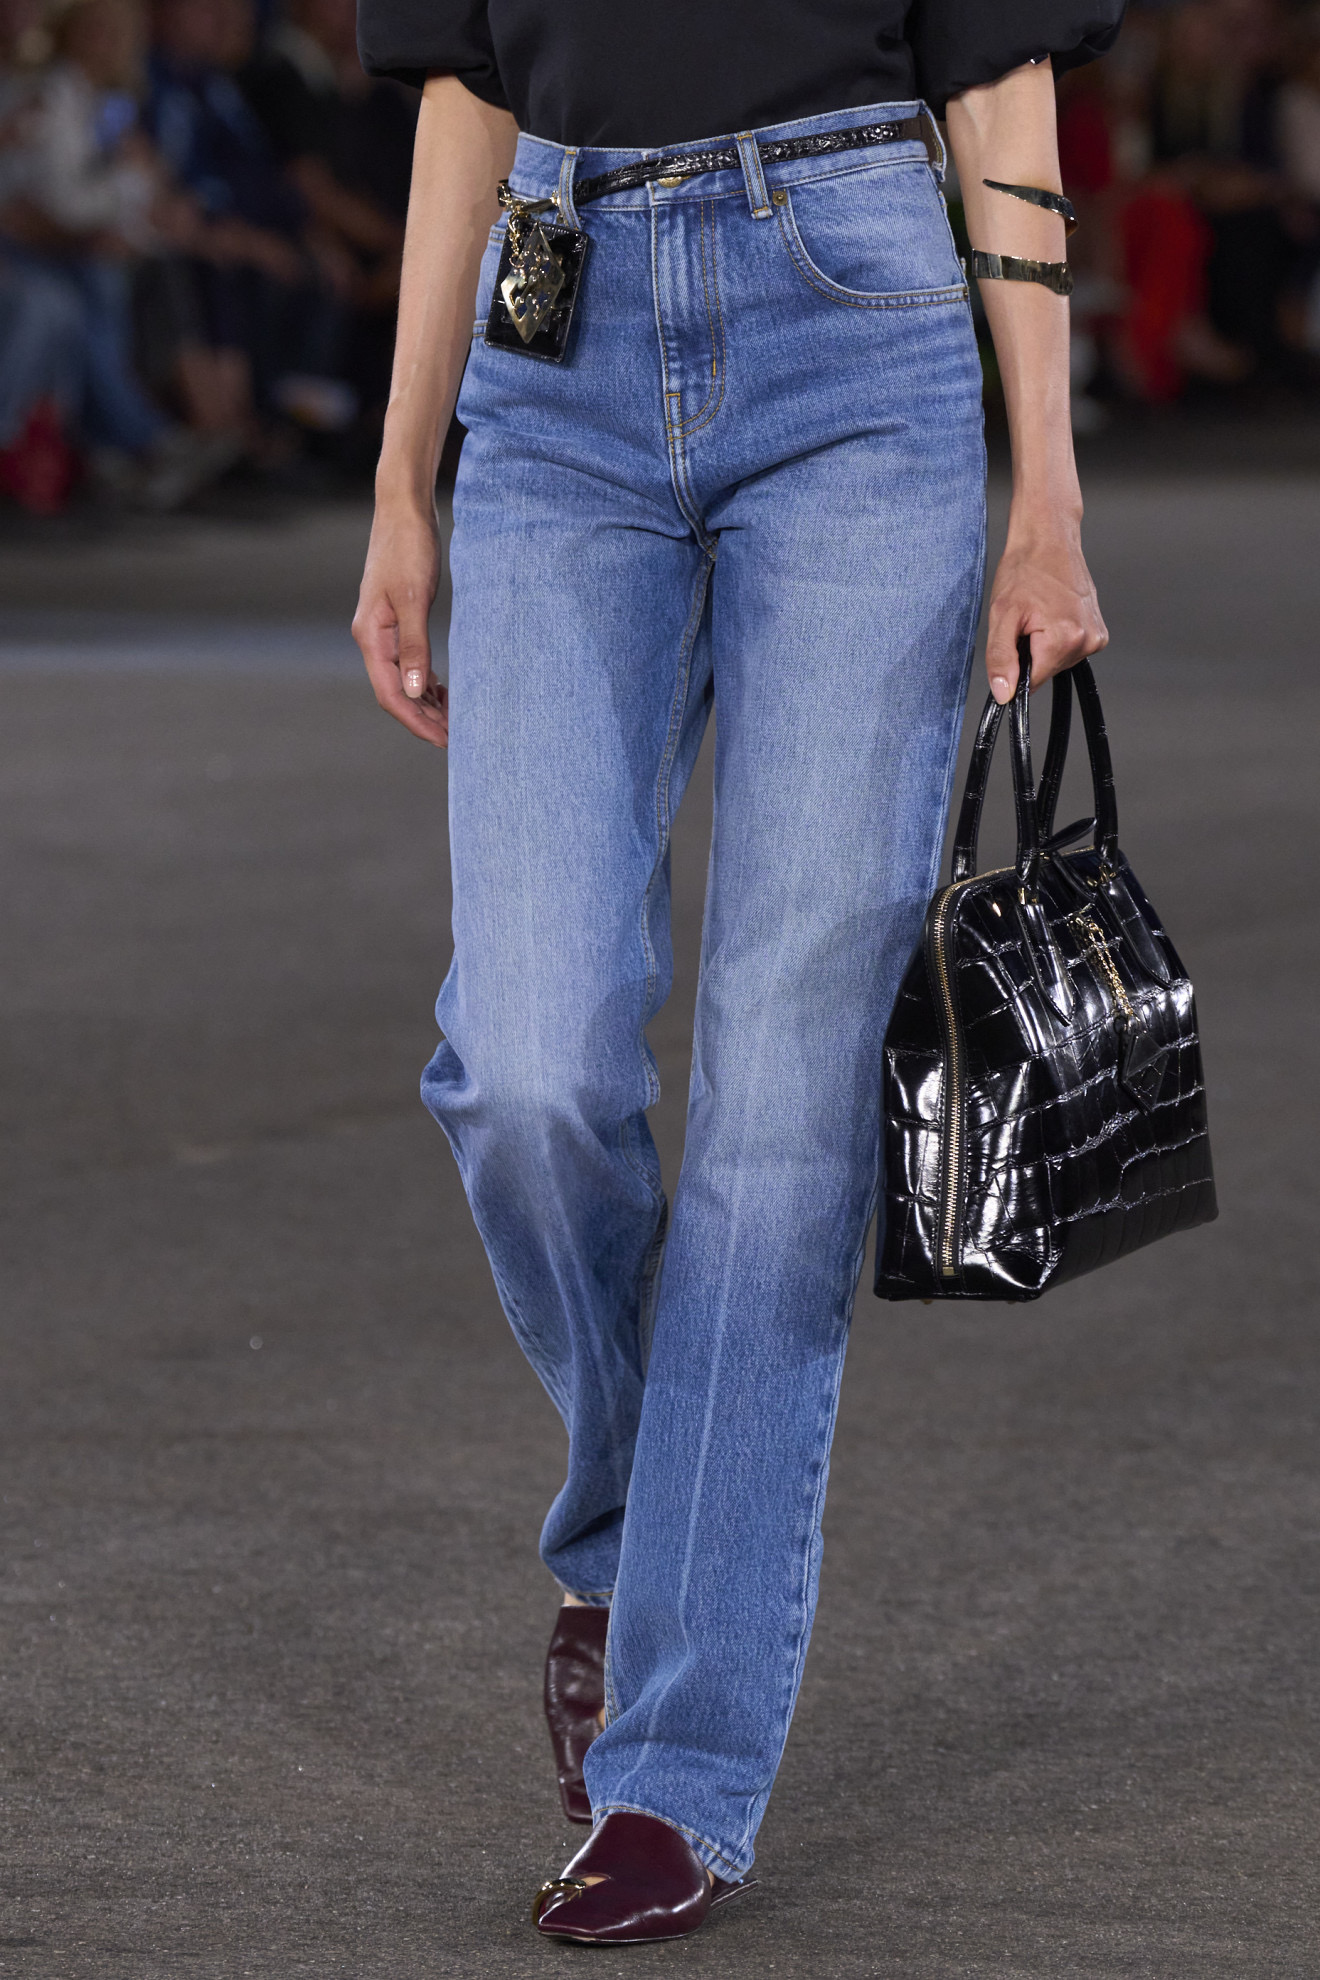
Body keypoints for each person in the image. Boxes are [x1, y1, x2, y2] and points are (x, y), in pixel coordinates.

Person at [352, 0, 1117, 1945]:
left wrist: (1047, 496)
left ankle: (675, 1771)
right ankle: (637, 1528)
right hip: (556, 343)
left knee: (782, 1111)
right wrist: (401, 478)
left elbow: (999, 81)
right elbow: (464, 93)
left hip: (854, 329)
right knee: (528, 1069)